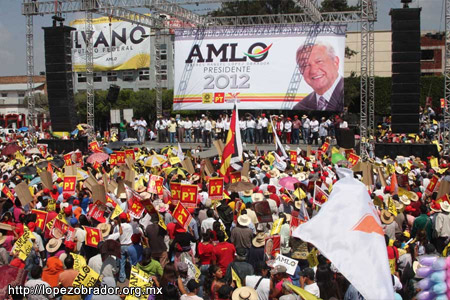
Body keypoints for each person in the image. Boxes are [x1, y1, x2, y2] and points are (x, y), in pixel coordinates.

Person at [292, 41, 344, 111]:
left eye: (319, 61)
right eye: (305, 65)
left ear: (335, 62)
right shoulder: (300, 107)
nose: (313, 70)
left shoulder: (347, 95)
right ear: (300, 71)